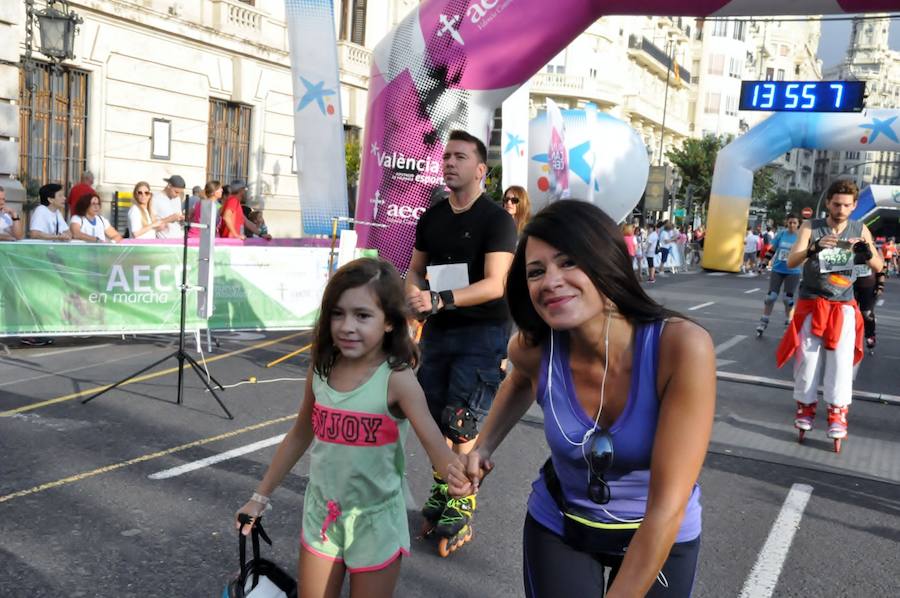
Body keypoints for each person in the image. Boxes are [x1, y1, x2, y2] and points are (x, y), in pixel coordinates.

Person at [450, 200, 715, 597]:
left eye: (568, 262)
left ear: (605, 262)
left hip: (660, 529)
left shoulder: (680, 347)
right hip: (562, 523)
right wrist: (482, 447)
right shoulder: (534, 347)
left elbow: (666, 509)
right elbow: (521, 379)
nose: (550, 281)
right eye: (536, 272)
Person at [234, 258, 467, 597]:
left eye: (362, 315)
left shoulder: (397, 380)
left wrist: (458, 476)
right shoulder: (322, 368)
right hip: (322, 516)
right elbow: (300, 432)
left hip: (376, 522)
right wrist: (259, 497)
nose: (346, 326)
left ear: (388, 321)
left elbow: (436, 446)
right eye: (337, 313)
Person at [404, 130, 517, 553]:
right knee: (432, 418)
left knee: (462, 421)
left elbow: (495, 284)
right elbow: (414, 270)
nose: (449, 163)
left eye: (460, 157)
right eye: (446, 156)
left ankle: (462, 501)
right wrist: (414, 297)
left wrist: (439, 298)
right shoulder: (432, 217)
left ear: (480, 170)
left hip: (483, 332)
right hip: (439, 330)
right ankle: (442, 487)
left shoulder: (496, 220)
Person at [777, 180, 883, 451]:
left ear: (854, 206)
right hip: (811, 302)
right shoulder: (811, 227)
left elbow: (879, 264)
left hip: (843, 305)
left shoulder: (860, 229)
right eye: (836, 204)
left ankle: (838, 413)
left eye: (846, 205)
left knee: (841, 362)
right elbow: (791, 261)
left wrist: (867, 252)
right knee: (808, 361)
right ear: (828, 203)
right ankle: (805, 408)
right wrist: (814, 248)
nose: (841, 209)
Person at [755, 214, 802, 337]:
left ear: (798, 224)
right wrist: (763, 264)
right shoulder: (781, 234)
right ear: (787, 223)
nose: (792, 225)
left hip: (793, 271)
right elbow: (772, 250)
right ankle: (763, 321)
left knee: (788, 299)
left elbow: (805, 254)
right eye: (790, 222)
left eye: (794, 223)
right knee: (771, 297)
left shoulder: (801, 237)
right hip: (778, 269)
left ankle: (789, 323)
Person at [152, 175, 186, 239]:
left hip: (179, 239)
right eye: (176, 192)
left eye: (180, 193)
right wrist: (169, 219)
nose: (178, 195)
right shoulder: (155, 199)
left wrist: (182, 219)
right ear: (169, 186)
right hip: (165, 242)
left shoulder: (177, 199)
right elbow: (150, 224)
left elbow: (177, 220)